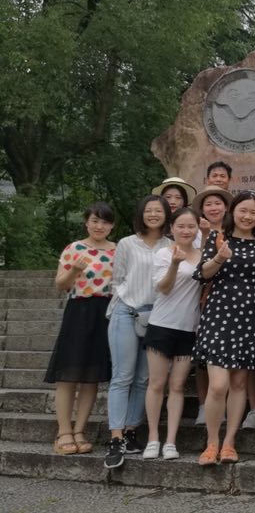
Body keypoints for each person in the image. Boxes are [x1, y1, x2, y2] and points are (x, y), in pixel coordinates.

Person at [193, 191, 255, 466]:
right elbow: (202, 273)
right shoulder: (218, 238)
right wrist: (219, 258)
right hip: (219, 314)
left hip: (249, 315)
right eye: (243, 211)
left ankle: (229, 443)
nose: (248, 216)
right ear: (232, 212)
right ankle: (211, 441)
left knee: (238, 383)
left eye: (253, 212)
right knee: (218, 385)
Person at [104, 195, 172, 469]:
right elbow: (117, 279)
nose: (153, 215)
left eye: (159, 211)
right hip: (126, 311)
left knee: (145, 378)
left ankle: (132, 430)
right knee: (122, 376)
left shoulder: (171, 245)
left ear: (166, 215)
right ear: (141, 214)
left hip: (157, 316)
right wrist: (127, 301)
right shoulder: (127, 243)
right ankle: (115, 437)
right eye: (148, 210)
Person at [45, 202, 116, 456]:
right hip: (78, 310)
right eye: (95, 220)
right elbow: (60, 284)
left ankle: (80, 430)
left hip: (105, 312)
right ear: (86, 222)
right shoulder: (74, 248)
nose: (99, 226)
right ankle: (64, 431)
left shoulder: (118, 250)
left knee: (91, 375)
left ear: (112, 226)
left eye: (105, 222)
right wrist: (75, 269)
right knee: (68, 373)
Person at [142, 207, 202, 460]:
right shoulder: (164, 254)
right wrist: (175, 265)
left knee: (177, 386)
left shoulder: (203, 255)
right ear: (172, 229)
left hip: (189, 328)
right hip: (161, 325)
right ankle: (153, 438)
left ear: (197, 229)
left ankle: (170, 441)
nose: (186, 231)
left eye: (191, 226)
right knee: (157, 383)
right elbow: (163, 288)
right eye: (181, 226)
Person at [190, 185, 232, 426]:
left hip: (228, 300)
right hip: (199, 297)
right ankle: (203, 404)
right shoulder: (193, 230)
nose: (213, 208)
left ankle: (224, 405)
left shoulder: (233, 231)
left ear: (226, 207)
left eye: (218, 203)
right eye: (208, 204)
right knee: (203, 356)